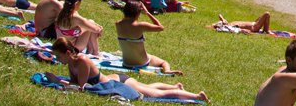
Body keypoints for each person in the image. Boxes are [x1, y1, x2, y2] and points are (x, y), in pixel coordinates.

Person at [46, 37, 206, 101]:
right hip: (116, 79)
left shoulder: (81, 61)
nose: (58, 60)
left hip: (119, 83)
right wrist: (60, 81)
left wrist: (57, 81)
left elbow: (81, 87)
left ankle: (196, 96)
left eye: (59, 56)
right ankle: (175, 86)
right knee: (147, 87)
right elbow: (74, 82)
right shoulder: (72, 63)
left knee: (156, 94)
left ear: (68, 53)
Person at [115, 0, 180, 74]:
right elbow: (161, 27)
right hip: (141, 62)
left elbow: (126, 21)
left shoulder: (118, 24)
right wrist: (147, 12)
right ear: (138, 13)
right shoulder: (140, 25)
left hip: (126, 63)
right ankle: (167, 71)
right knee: (164, 63)